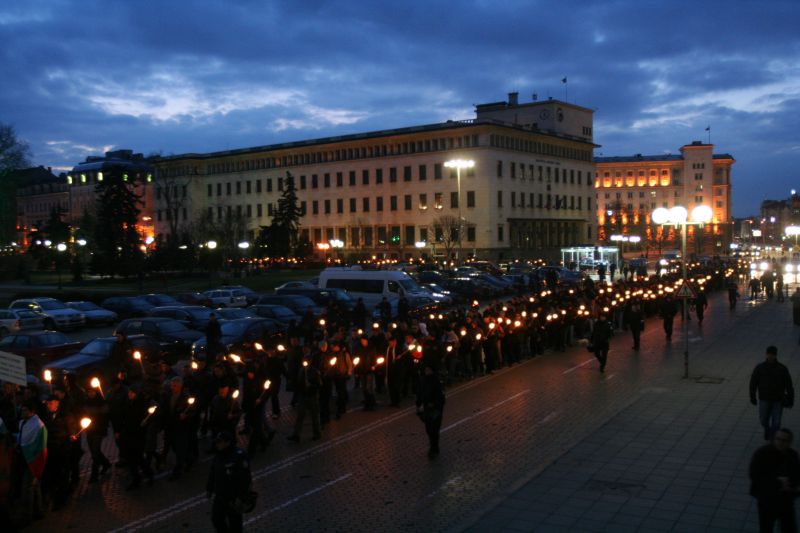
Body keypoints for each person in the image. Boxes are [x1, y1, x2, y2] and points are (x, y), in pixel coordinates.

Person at [749, 428, 800, 533]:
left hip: (786, 500)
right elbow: (755, 475)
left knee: (789, 528)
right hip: (767, 500)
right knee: (766, 528)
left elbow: (796, 474)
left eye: (784, 440)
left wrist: (794, 487)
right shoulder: (762, 453)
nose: (780, 443)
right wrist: (779, 482)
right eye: (778, 439)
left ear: (789, 442)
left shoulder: (792, 455)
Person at [206, 431, 252, 533]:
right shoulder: (218, 455)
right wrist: (209, 488)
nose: (217, 444)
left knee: (235, 525)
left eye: (220, 442)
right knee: (216, 520)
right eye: (217, 442)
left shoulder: (239, 456)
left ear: (228, 443)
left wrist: (241, 497)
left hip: (233, 498)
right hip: (220, 496)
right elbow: (213, 472)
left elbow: (245, 479)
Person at [751, 346, 795, 441]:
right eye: (769, 354)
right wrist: (752, 396)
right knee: (763, 420)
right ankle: (768, 429)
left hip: (778, 399)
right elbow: (753, 382)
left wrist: (791, 399)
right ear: (766, 355)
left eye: (772, 354)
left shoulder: (782, 369)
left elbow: (789, 385)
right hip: (764, 398)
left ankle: (773, 439)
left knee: (776, 422)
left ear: (775, 355)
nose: (771, 356)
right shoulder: (760, 368)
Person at [416, 357, 446, 459]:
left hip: (436, 409)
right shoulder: (423, 380)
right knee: (429, 430)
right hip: (427, 409)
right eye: (426, 370)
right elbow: (420, 394)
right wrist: (418, 404)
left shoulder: (437, 381)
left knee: (434, 430)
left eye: (429, 370)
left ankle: (434, 448)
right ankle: (433, 446)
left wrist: (434, 404)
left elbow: (441, 397)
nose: (427, 371)